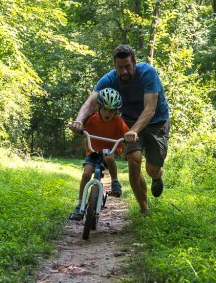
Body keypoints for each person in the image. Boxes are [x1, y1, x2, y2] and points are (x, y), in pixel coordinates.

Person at [70, 45, 170, 214]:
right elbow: (90, 103)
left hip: (156, 122)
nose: (123, 71)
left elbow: (150, 109)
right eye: (119, 67)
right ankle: (144, 208)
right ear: (115, 66)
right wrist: (79, 120)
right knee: (134, 160)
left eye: (127, 67)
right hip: (129, 122)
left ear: (135, 64)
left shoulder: (148, 73)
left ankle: (157, 176)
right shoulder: (109, 79)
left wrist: (134, 131)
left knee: (152, 169)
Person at [70, 88, 129, 221]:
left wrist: (130, 136)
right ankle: (80, 205)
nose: (108, 113)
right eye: (105, 109)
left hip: (110, 150)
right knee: (86, 174)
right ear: (99, 107)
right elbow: (80, 125)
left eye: (112, 110)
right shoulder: (91, 119)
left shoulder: (119, 122)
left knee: (108, 156)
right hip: (93, 152)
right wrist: (77, 127)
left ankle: (115, 181)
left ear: (116, 111)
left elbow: (127, 133)